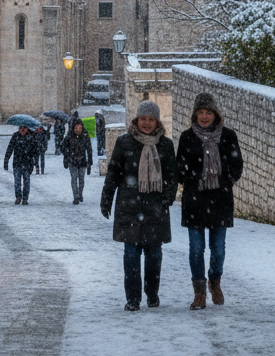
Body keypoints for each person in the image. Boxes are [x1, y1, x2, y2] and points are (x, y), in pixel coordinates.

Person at [101, 100, 177, 311]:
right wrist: (106, 198)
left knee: (154, 255)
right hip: (129, 207)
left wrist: (167, 197)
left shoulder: (165, 145)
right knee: (131, 256)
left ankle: (152, 294)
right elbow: (114, 173)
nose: (146, 123)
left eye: (151, 119)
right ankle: (133, 299)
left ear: (156, 121)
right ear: (136, 120)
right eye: (143, 119)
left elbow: (172, 175)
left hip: (155, 208)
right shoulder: (124, 142)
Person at [177, 93, 243, 310]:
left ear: (216, 114)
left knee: (218, 250)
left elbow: (236, 165)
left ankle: (215, 281)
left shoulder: (228, 136)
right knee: (196, 249)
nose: (204, 116)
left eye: (208, 112)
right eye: (200, 112)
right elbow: (180, 167)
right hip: (194, 201)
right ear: (195, 114)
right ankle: (199, 293)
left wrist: (225, 182)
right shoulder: (187, 137)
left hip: (220, 200)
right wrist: (191, 178)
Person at [61, 118, 93, 204]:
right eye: (76, 128)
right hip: (72, 161)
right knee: (74, 179)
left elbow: (89, 149)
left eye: (79, 128)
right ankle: (76, 196)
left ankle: (80, 193)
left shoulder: (85, 137)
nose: (78, 130)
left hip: (82, 161)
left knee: (81, 179)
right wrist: (66, 156)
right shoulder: (69, 137)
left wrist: (90, 162)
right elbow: (63, 147)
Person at [3, 124, 37, 204]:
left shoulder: (31, 137)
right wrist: (6, 160)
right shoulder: (15, 136)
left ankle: (25, 198)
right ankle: (18, 197)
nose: (22, 130)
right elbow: (10, 148)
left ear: (27, 129)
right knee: (17, 182)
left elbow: (35, 151)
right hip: (17, 163)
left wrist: (34, 163)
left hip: (27, 163)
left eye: (24, 128)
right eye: (20, 128)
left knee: (26, 182)